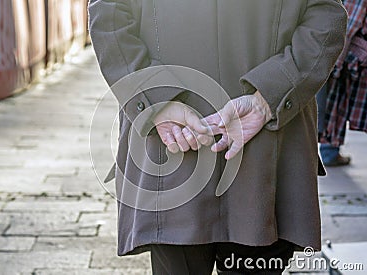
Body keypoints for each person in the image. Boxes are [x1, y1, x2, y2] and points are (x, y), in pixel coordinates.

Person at [89, 1, 347, 274]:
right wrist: (269, 95)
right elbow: (326, 17)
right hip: (260, 147)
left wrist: (155, 97)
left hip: (185, 149)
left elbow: (108, 15)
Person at [318, 0, 367, 167]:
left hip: (345, 52)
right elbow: (350, 22)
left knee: (335, 98)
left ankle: (329, 150)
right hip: (348, 53)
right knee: (335, 98)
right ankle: (329, 151)